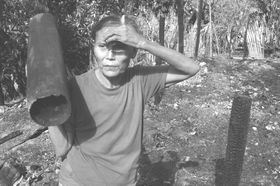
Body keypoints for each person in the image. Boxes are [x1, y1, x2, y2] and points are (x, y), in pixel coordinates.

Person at [48, 15, 200, 186]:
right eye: (102, 47)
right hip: (77, 181)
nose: (110, 56)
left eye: (119, 48)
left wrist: (143, 42)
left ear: (133, 51)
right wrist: (45, 104)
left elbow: (191, 68)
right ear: (94, 49)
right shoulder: (76, 88)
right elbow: (62, 148)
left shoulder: (141, 80)